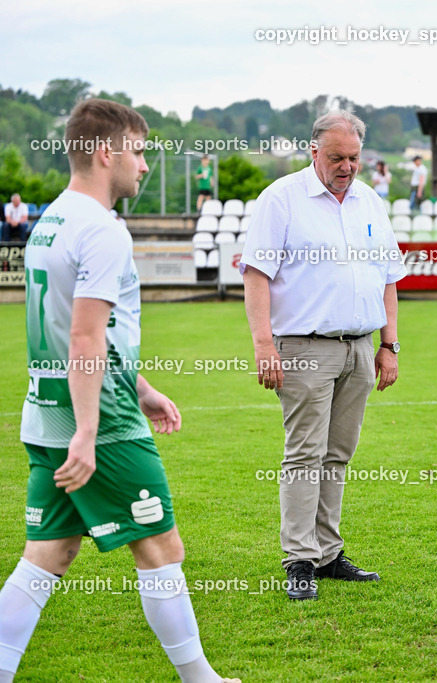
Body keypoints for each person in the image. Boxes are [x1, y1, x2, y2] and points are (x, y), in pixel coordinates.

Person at [0, 99, 238, 683]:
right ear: (106, 152)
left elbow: (80, 334)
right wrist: (89, 430)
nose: (145, 165)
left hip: (47, 410)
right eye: (138, 151)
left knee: (48, 554)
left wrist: (143, 386)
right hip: (98, 421)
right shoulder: (101, 231)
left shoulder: (51, 219)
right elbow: (83, 336)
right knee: (161, 549)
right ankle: (202, 682)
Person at [241, 110, 407, 601]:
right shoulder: (281, 199)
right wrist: (264, 345)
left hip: (359, 347)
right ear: (313, 150)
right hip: (304, 347)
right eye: (337, 157)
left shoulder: (370, 201)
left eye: (354, 157)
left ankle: (329, 553)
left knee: (337, 455)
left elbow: (389, 278)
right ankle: (299, 559)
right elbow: (256, 275)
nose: (347, 166)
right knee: (304, 455)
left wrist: (388, 345)